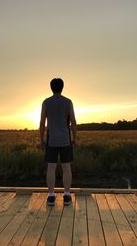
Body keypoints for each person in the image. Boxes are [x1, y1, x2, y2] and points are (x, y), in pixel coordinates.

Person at [40, 78, 77, 206]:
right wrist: (74, 138)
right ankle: (67, 195)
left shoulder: (46, 102)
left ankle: (51, 196)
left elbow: (42, 123)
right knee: (67, 167)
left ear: (51, 87)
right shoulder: (68, 102)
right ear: (63, 87)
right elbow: (73, 121)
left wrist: (41, 140)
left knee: (51, 167)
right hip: (65, 139)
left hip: (51, 139)